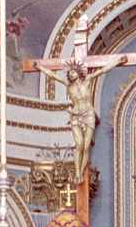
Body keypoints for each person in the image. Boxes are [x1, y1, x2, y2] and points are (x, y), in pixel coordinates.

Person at [37, 55, 127, 184]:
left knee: (85, 147)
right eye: (69, 73)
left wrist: (118, 61)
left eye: (73, 72)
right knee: (79, 145)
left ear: (78, 73)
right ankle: (78, 173)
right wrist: (40, 67)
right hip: (76, 115)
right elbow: (52, 75)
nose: (70, 74)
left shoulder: (87, 80)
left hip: (88, 115)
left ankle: (81, 170)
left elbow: (103, 70)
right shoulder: (68, 85)